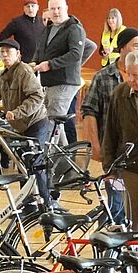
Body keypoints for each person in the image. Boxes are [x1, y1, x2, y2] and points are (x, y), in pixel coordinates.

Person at [0, 39, 54, 211]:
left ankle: (47, 205)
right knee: (23, 165)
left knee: (34, 164)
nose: (4, 55)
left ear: (18, 54)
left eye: (8, 52)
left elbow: (37, 97)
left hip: (35, 122)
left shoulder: (24, 71)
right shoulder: (5, 75)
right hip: (21, 126)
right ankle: (29, 206)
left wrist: (17, 112)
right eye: (2, 52)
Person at [81, 27, 138, 223]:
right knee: (115, 210)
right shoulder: (104, 77)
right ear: (123, 48)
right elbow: (89, 112)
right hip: (117, 155)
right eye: (135, 45)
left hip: (132, 157)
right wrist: (96, 147)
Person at [32, 0, 86, 145]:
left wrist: (50, 64)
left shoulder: (75, 29)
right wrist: (35, 62)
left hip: (65, 82)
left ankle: (43, 163)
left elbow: (76, 54)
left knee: (51, 122)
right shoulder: (49, 28)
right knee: (56, 123)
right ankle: (66, 164)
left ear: (66, 9)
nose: (55, 12)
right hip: (50, 82)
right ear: (48, 11)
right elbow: (40, 49)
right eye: (52, 9)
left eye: (59, 8)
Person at [102, 51, 138, 228]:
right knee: (134, 221)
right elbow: (110, 132)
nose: (132, 80)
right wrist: (109, 168)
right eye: (129, 74)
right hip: (131, 166)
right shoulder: (120, 93)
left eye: (137, 76)